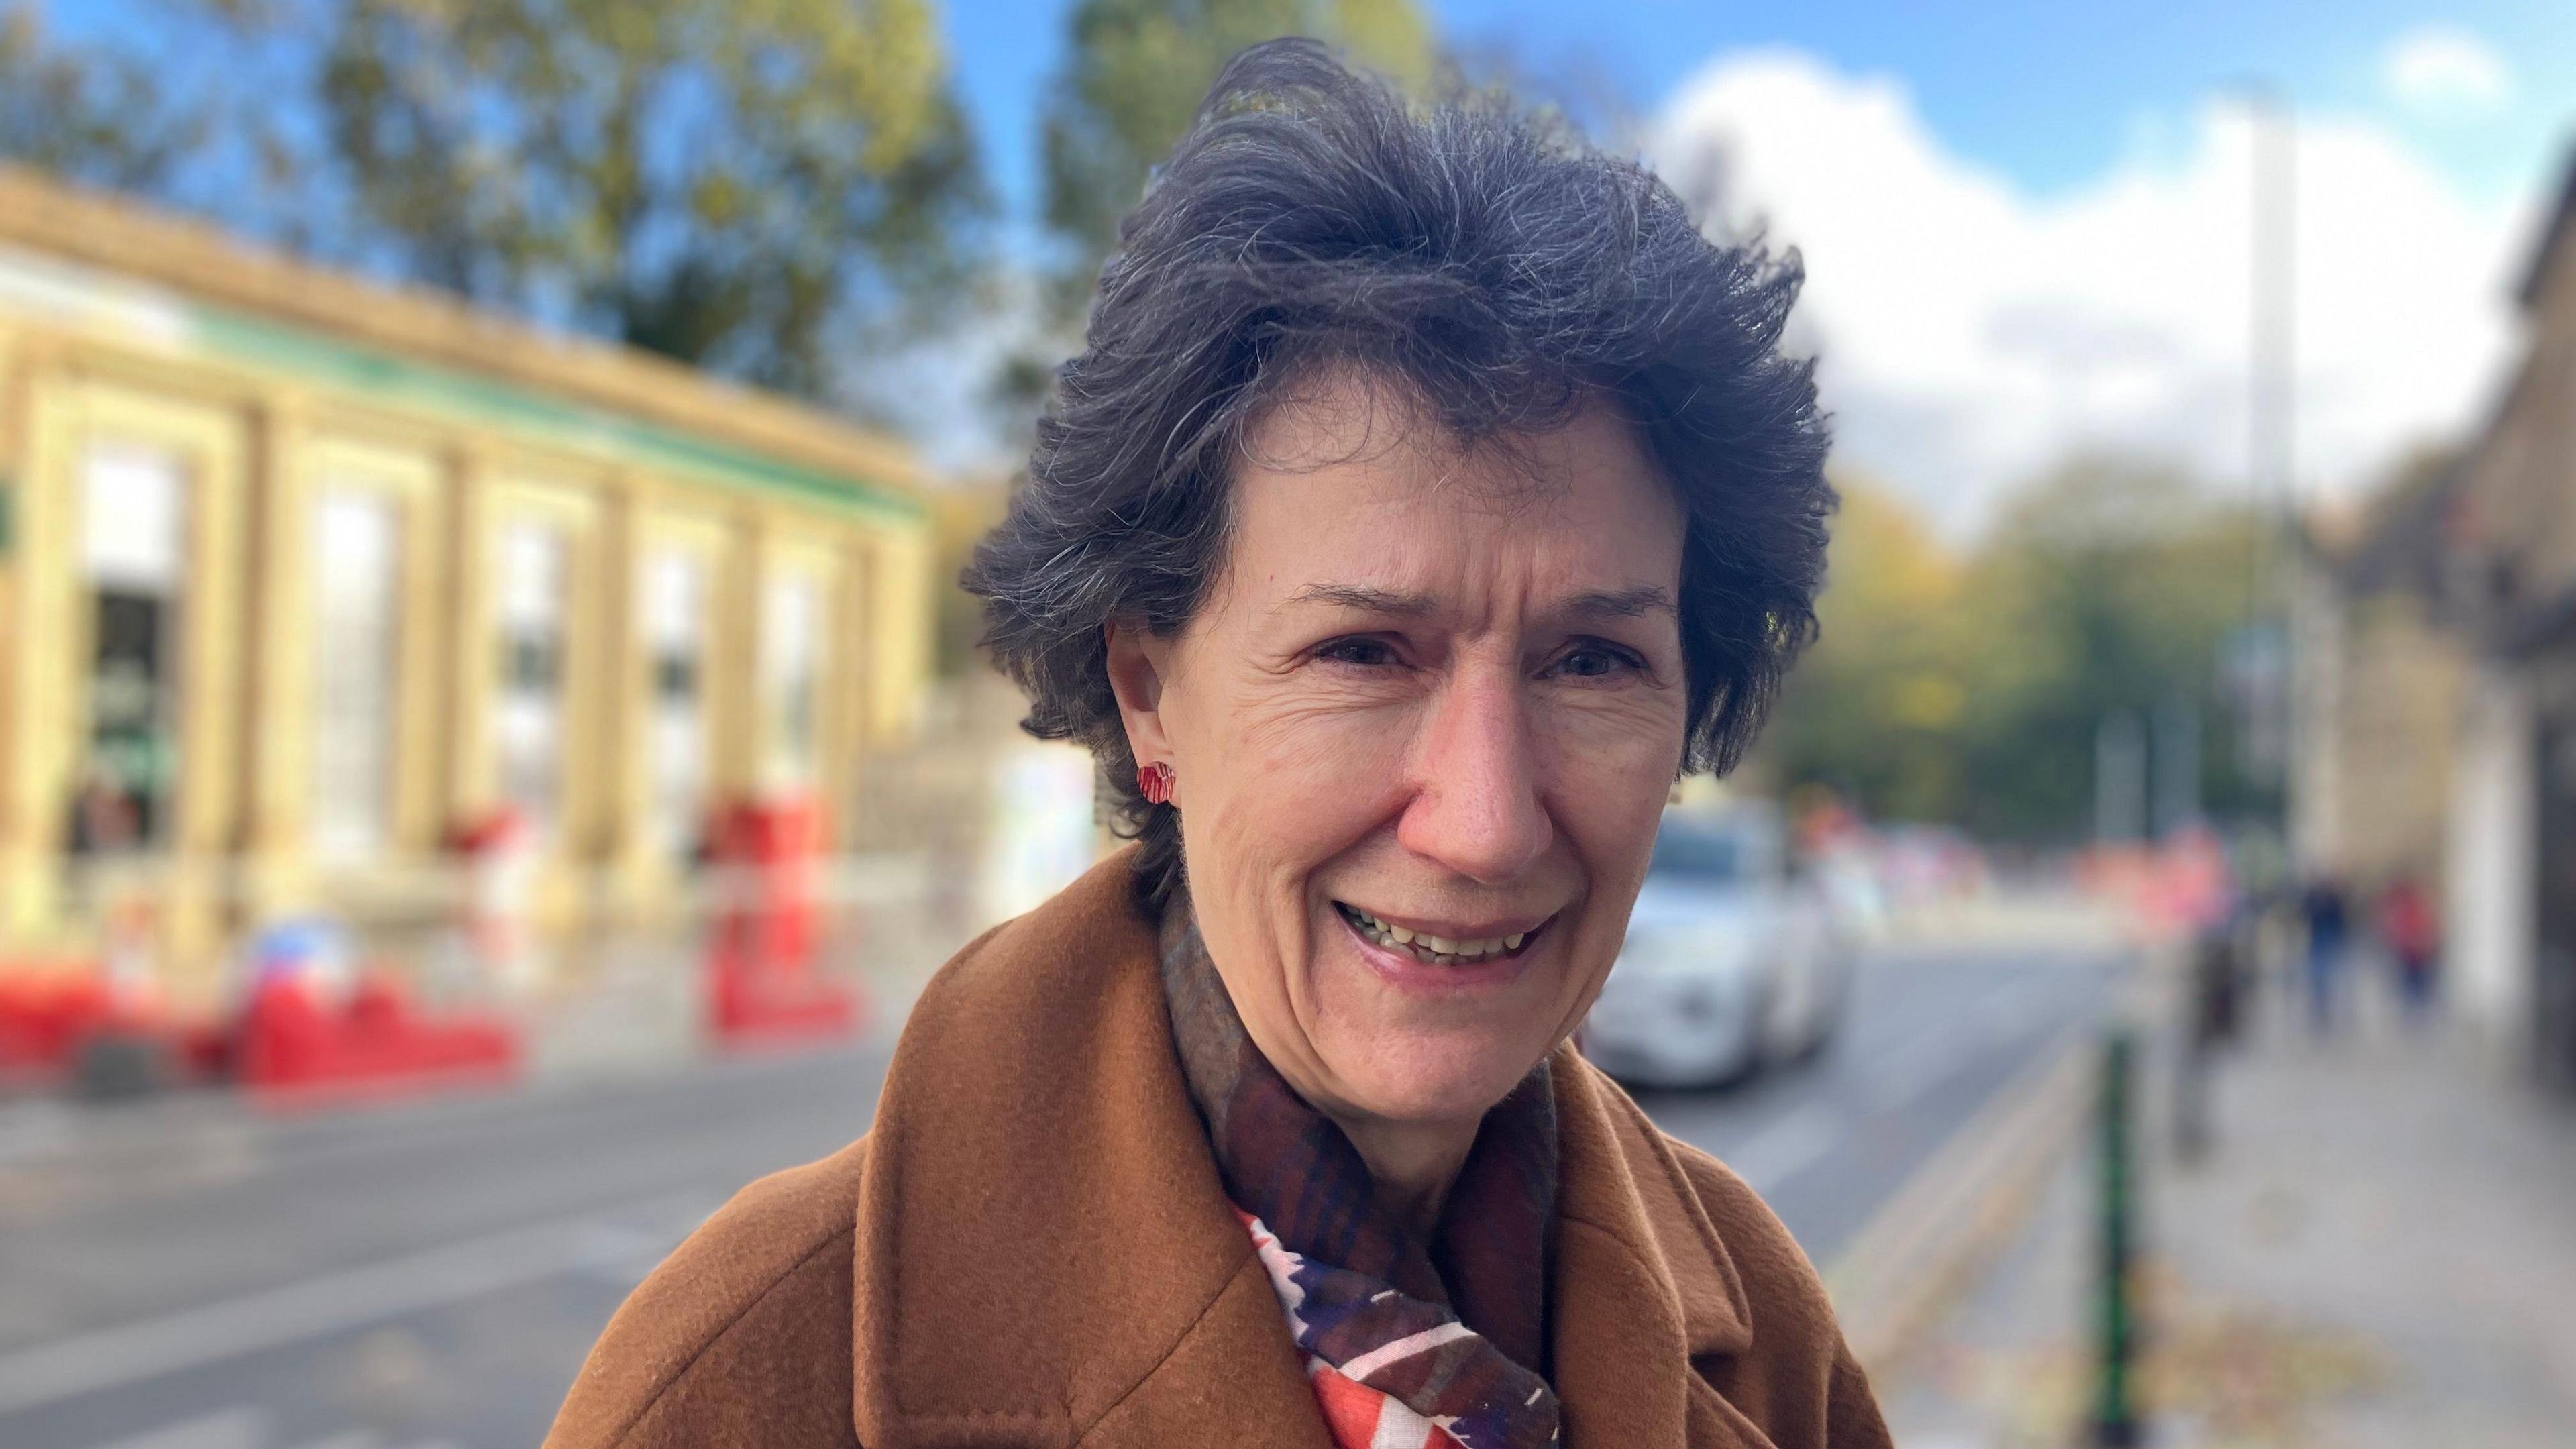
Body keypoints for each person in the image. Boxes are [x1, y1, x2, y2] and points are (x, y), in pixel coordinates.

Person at [547, 40, 1888, 1449]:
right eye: (1363, 653)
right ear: (1147, 693)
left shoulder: (1769, 1339)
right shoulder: (747, 1378)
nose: (1485, 820)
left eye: (1594, 662)